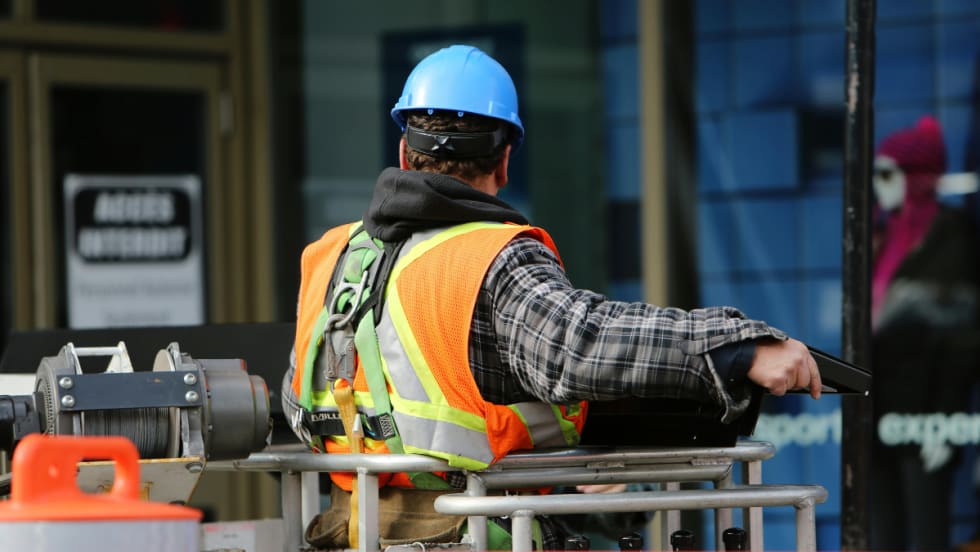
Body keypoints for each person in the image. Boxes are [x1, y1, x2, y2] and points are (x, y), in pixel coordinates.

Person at [281, 44, 822, 550]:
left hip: (353, 532)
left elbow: (298, 396)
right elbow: (578, 345)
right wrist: (739, 348)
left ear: (403, 149)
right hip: (469, 533)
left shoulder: (331, 257)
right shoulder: (490, 257)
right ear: (505, 161)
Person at [868, 116, 980, 551]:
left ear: (916, 176)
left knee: (928, 530)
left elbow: (962, 339)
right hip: (878, 410)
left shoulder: (952, 237)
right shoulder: (878, 235)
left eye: (887, 173)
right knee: (884, 534)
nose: (879, 185)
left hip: (927, 412)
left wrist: (946, 422)